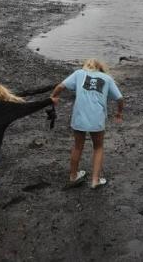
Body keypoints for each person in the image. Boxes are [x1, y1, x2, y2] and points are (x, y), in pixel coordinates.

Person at [51, 58, 125, 189]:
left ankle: (73, 176)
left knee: (78, 146)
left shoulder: (79, 73)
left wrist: (54, 97)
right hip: (96, 118)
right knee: (98, 147)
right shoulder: (107, 78)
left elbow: (60, 86)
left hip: (79, 116)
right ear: (100, 68)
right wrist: (119, 112)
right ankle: (95, 180)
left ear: (86, 66)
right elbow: (119, 98)